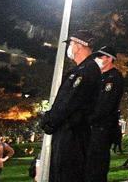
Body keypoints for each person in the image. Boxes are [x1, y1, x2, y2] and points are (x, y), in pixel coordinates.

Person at [41, 29, 102, 182]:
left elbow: (69, 101)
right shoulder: (81, 69)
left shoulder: (87, 70)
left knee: (67, 174)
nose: (70, 48)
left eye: (71, 44)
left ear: (79, 46)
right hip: (68, 131)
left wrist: (50, 120)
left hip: (72, 134)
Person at [85, 45, 125, 182]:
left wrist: (87, 118)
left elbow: (105, 105)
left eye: (99, 57)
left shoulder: (114, 78)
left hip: (102, 129)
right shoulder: (99, 77)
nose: (96, 59)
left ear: (108, 58)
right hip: (93, 129)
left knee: (97, 169)